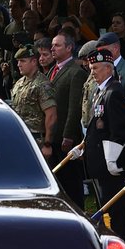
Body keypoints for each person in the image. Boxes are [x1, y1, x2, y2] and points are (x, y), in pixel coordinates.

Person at [75, 49, 125, 244]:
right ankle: (112, 239)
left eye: (96, 68)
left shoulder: (114, 91)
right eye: (91, 68)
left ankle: (120, 242)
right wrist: (83, 146)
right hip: (100, 159)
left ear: (109, 69)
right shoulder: (100, 92)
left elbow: (119, 128)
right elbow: (96, 126)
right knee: (106, 205)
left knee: (114, 205)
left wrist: (113, 157)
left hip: (110, 160)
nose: (92, 72)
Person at [47, 31, 88, 207]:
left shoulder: (75, 72)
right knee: (58, 180)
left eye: (57, 45)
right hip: (53, 134)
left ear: (69, 47)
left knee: (71, 182)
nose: (52, 48)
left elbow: (74, 107)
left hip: (65, 136)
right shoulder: (52, 69)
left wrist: (69, 135)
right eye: (52, 45)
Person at [10, 44, 57, 157]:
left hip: (36, 139)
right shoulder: (19, 83)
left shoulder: (42, 84)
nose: (18, 64)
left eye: (22, 61)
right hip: (20, 136)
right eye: (18, 61)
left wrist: (47, 143)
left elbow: (51, 115)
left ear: (34, 62)